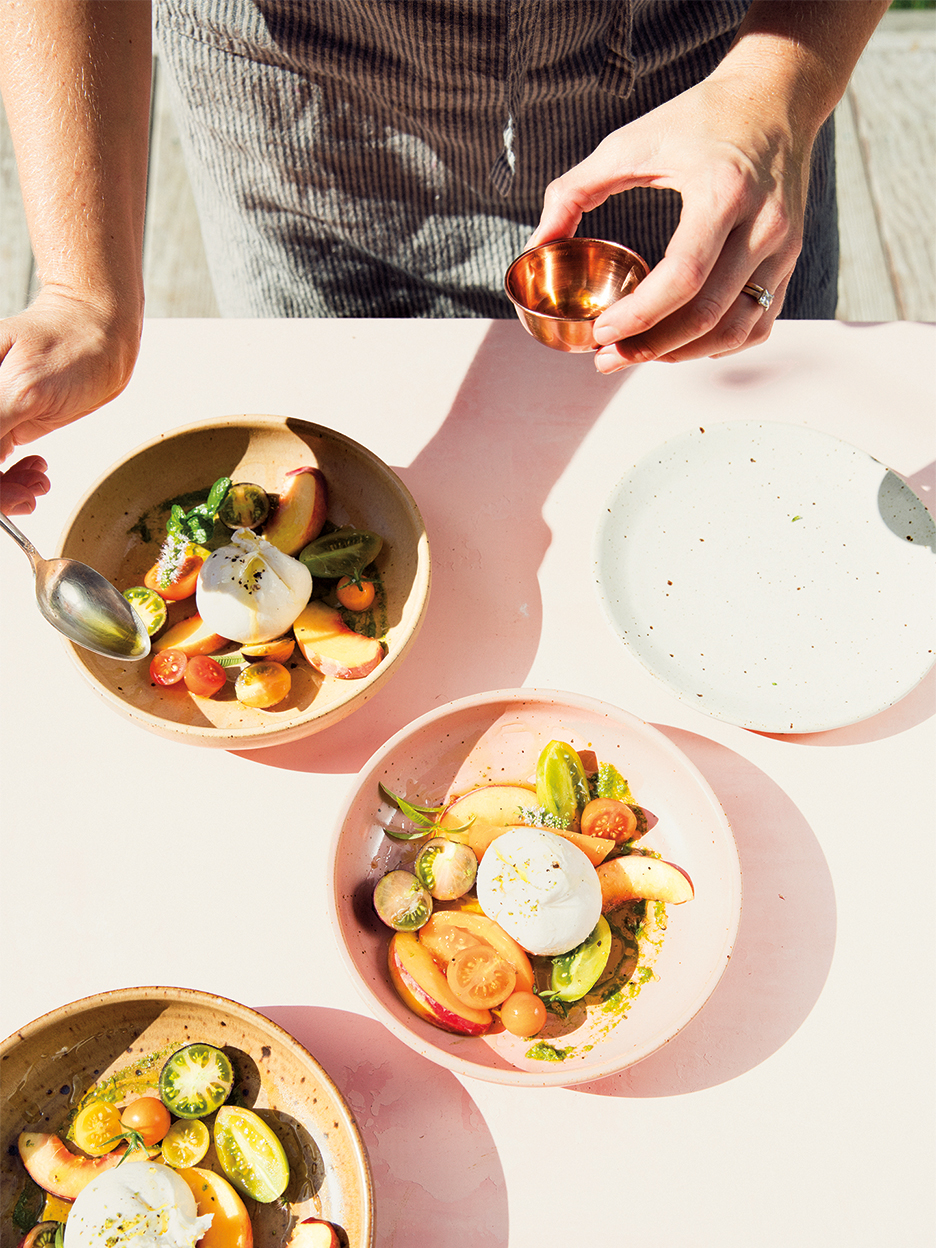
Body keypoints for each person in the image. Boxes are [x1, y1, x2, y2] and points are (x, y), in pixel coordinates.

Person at [0, 0, 890, 515]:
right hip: (300, 114)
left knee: (750, 506)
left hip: (709, 90)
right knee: (348, 507)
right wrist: (85, 294)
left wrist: (778, 85)